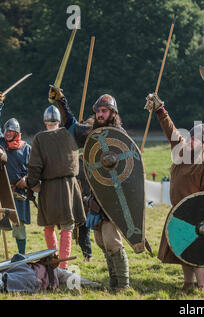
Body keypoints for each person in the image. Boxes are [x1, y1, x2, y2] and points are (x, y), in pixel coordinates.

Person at [49, 86, 130, 290]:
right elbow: (71, 126)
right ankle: (114, 283)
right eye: (98, 111)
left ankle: (124, 285)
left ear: (113, 113)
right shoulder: (92, 132)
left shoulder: (118, 134)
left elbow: (127, 169)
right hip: (95, 196)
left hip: (113, 196)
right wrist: (62, 102)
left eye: (105, 111)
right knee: (102, 241)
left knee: (112, 241)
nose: (100, 114)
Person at [146, 92, 204, 292]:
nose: (191, 140)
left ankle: (201, 287)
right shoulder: (181, 151)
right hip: (179, 211)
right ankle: (187, 284)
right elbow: (170, 129)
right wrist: (160, 110)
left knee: (198, 253)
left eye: (195, 139)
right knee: (182, 249)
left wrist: (203, 216)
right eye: (191, 137)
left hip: (197, 213)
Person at [26, 105, 85, 270]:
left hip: (49, 188)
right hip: (70, 187)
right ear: (59, 121)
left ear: (45, 122)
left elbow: (35, 166)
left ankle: (54, 262)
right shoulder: (69, 134)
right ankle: (63, 267)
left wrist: (31, 183)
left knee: (49, 225)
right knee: (67, 227)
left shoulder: (39, 138)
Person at [0, 93, 31, 255]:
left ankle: (21, 256)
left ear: (17, 132)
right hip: (3, 191)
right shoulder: (2, 144)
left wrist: (26, 180)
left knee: (19, 226)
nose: (8, 133)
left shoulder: (26, 148)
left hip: (19, 192)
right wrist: (0, 105)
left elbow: (34, 168)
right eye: (6, 131)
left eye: (11, 131)